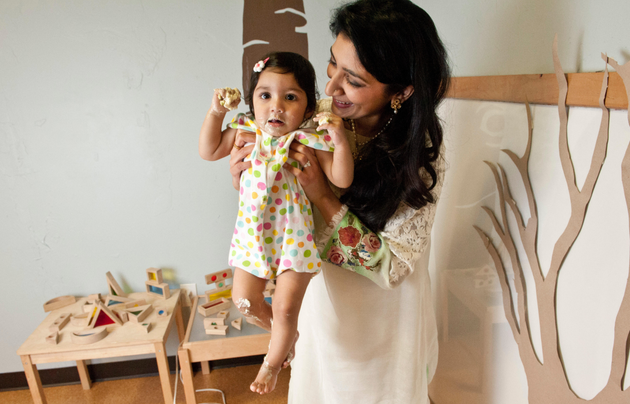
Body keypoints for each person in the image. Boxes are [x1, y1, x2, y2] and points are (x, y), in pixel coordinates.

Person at [230, 0, 449, 402]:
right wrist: (249, 181)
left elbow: (393, 267)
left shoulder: (419, 156)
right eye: (333, 64)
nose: (330, 88)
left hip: (385, 316)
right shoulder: (315, 117)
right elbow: (281, 203)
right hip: (322, 300)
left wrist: (322, 195)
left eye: (353, 80)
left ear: (401, 91)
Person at [199, 51, 354, 394]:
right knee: (244, 301)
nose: (276, 106)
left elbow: (341, 180)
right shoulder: (244, 132)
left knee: (285, 308)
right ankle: (287, 336)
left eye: (290, 97)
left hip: (294, 237)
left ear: (309, 109)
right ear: (252, 100)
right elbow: (209, 150)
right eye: (265, 95)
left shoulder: (309, 138)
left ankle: (271, 365)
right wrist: (216, 112)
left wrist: (339, 141)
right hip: (252, 236)